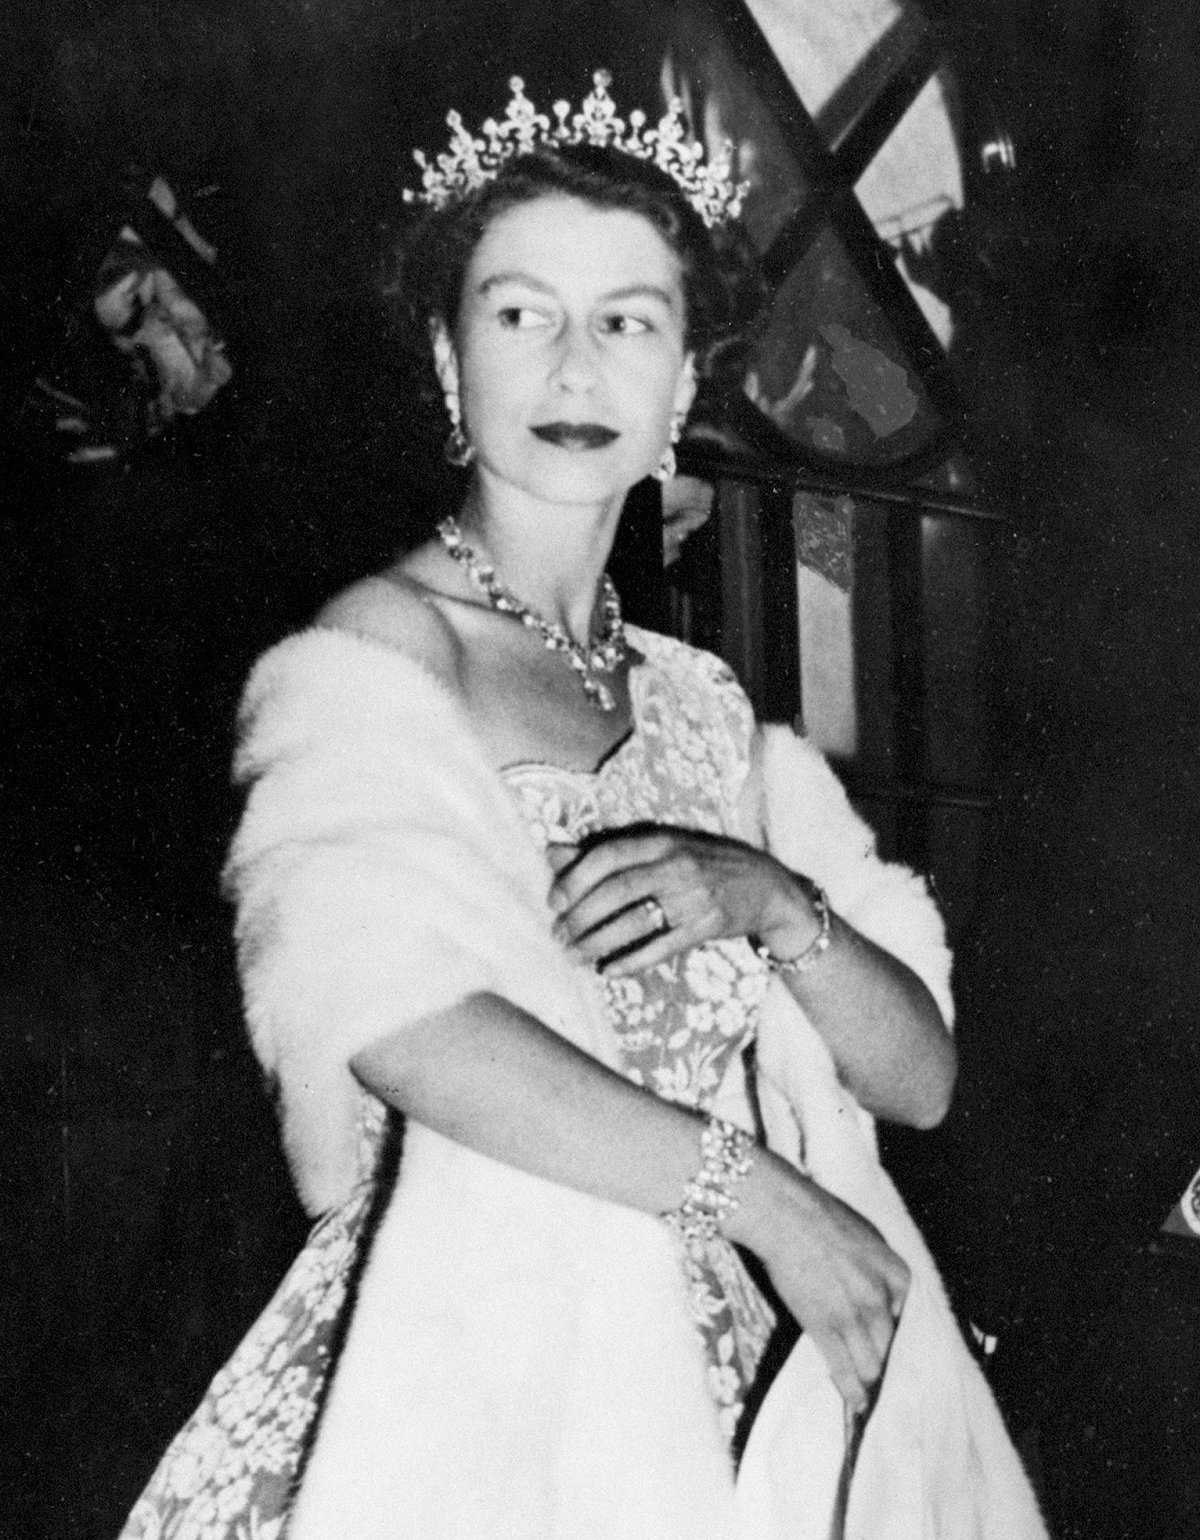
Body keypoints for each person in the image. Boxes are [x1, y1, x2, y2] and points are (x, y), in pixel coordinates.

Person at [119, 73, 1046, 1540]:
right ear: (448, 359)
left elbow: (920, 1076)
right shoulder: (379, 650)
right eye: (520, 312)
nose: (573, 366)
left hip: (738, 1379)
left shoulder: (708, 705)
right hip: (479, 1367)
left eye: (627, 321)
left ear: (681, 385)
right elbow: (402, 1024)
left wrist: (767, 897)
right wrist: (762, 1202)